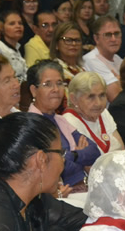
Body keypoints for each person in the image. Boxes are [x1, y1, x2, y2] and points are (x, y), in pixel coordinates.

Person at [27, 60, 100, 188]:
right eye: (48, 84)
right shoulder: (31, 125)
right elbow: (55, 167)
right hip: (60, 193)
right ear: (34, 90)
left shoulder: (60, 120)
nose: (56, 89)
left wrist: (72, 155)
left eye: (59, 83)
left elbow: (94, 151)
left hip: (82, 187)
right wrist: (80, 159)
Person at [64, 72, 124, 155]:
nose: (98, 103)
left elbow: (122, 150)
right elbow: (87, 162)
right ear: (74, 99)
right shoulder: (68, 122)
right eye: (91, 97)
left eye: (102, 95)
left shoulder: (103, 112)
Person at [82, 16, 123, 102]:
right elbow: (116, 97)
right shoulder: (91, 60)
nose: (113, 39)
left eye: (116, 34)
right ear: (96, 39)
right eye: (108, 35)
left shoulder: (118, 59)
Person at [0, 10, 28, 82]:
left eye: (20, 23)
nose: (18, 26)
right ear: (2, 28)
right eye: (12, 24)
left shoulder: (17, 47)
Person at [50, 21, 85, 90]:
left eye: (77, 40)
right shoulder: (54, 71)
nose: (74, 44)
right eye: (68, 40)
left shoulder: (82, 70)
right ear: (56, 44)